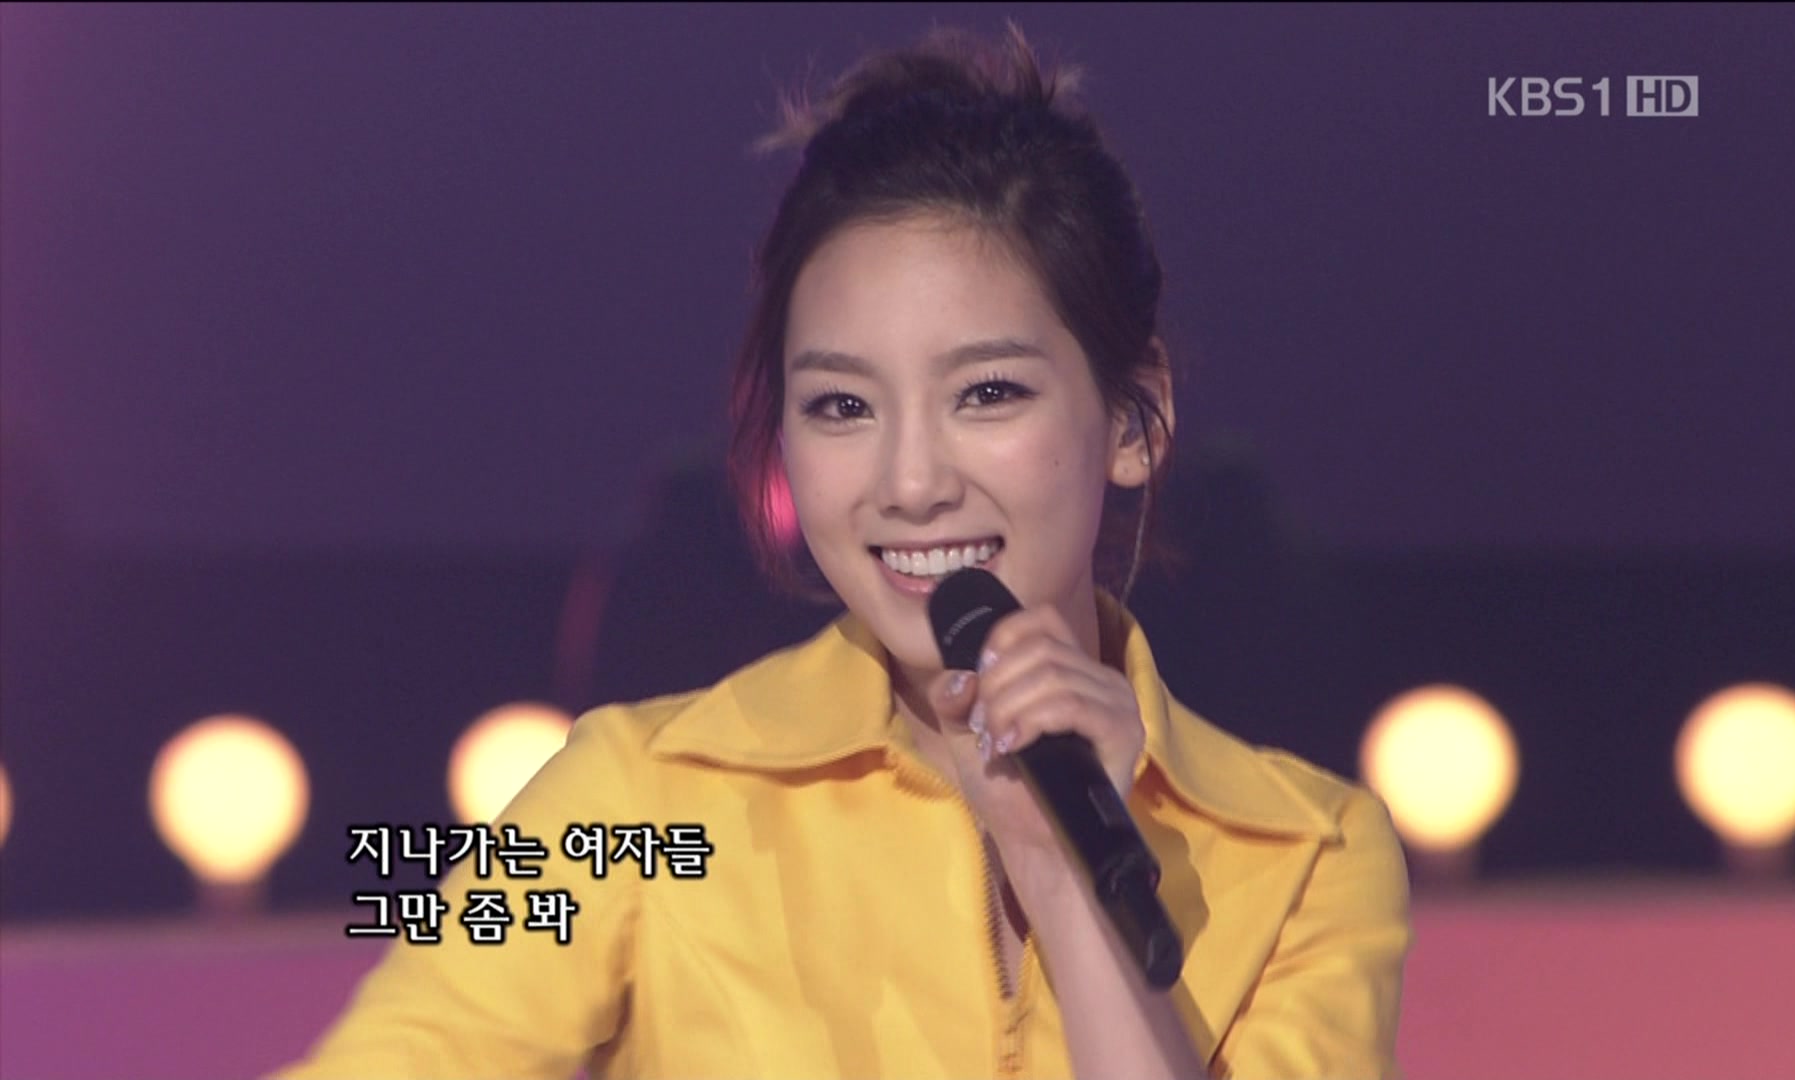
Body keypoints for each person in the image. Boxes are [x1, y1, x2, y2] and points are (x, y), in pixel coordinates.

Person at [270, 23, 1409, 1080]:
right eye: (842, 407)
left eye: (988, 392)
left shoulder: (1308, 853)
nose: (910, 484)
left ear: (1132, 418)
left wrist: (1069, 881)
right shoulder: (630, 802)